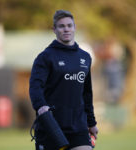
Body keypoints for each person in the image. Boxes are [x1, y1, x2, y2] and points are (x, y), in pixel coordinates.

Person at [29, 10, 98, 150]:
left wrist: (91, 123)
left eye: (69, 25)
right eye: (61, 26)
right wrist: (41, 106)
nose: (66, 29)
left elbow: (86, 93)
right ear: (54, 29)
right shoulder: (45, 57)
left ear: (74, 27)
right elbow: (35, 87)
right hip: (51, 127)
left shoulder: (85, 57)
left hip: (78, 127)